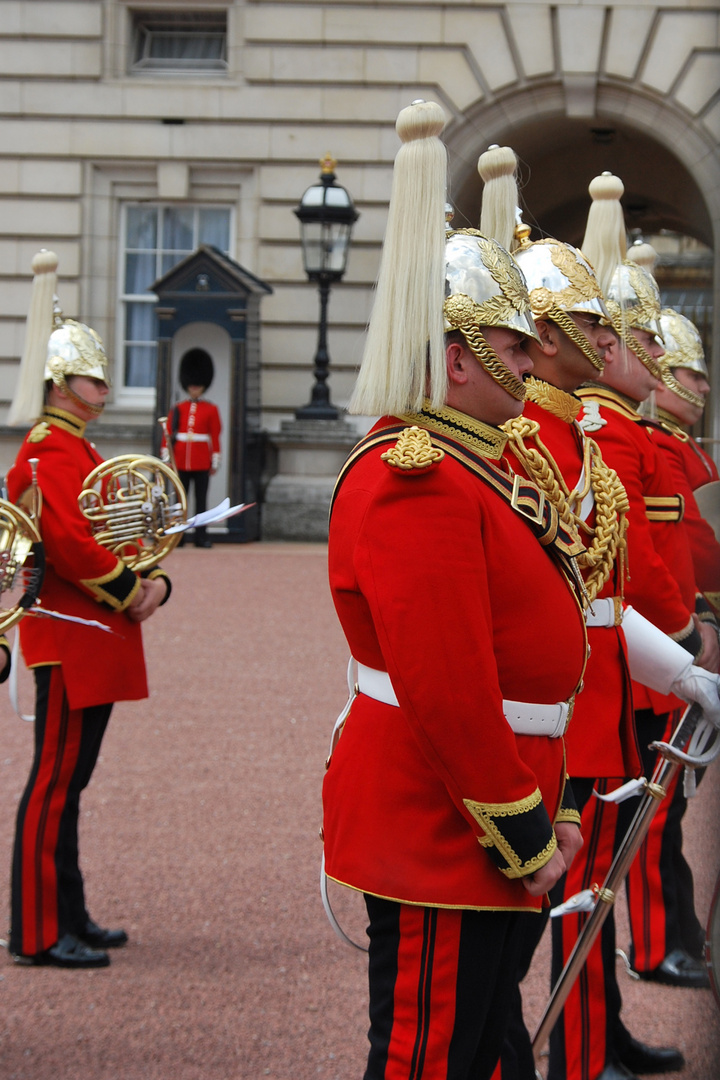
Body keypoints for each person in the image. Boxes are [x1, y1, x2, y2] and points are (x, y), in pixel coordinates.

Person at [323, 99, 589, 1080]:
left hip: (489, 804)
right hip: (444, 822)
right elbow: (445, 681)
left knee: (484, 1047)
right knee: (427, 1056)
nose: (532, 362)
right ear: (455, 356)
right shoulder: (417, 474)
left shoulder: (478, 466)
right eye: (513, 347)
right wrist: (519, 822)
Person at [476, 148, 688, 1080]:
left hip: (590, 709)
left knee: (584, 900)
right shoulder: (531, 444)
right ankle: (581, 1049)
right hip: (551, 723)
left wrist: (683, 671)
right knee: (526, 937)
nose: (609, 345)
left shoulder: (575, 437)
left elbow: (603, 598)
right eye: (589, 328)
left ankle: (591, 1043)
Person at [5, 251, 171, 969]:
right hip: (71, 634)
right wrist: (133, 592)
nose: (101, 386)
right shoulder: (48, 451)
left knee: (69, 784)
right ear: (60, 382)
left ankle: (66, 912)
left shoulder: (75, 448)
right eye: (91, 375)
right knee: (53, 782)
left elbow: (102, 525)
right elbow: (72, 544)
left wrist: (153, 561)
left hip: (89, 635)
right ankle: (38, 931)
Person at [165, 347, 221, 548]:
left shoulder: (211, 409)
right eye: (192, 385)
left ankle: (201, 536)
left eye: (197, 386)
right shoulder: (178, 408)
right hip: (180, 459)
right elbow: (168, 434)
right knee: (180, 501)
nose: (194, 388)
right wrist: (168, 458)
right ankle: (178, 536)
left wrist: (215, 459)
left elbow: (215, 436)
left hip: (201, 460)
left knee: (200, 501)